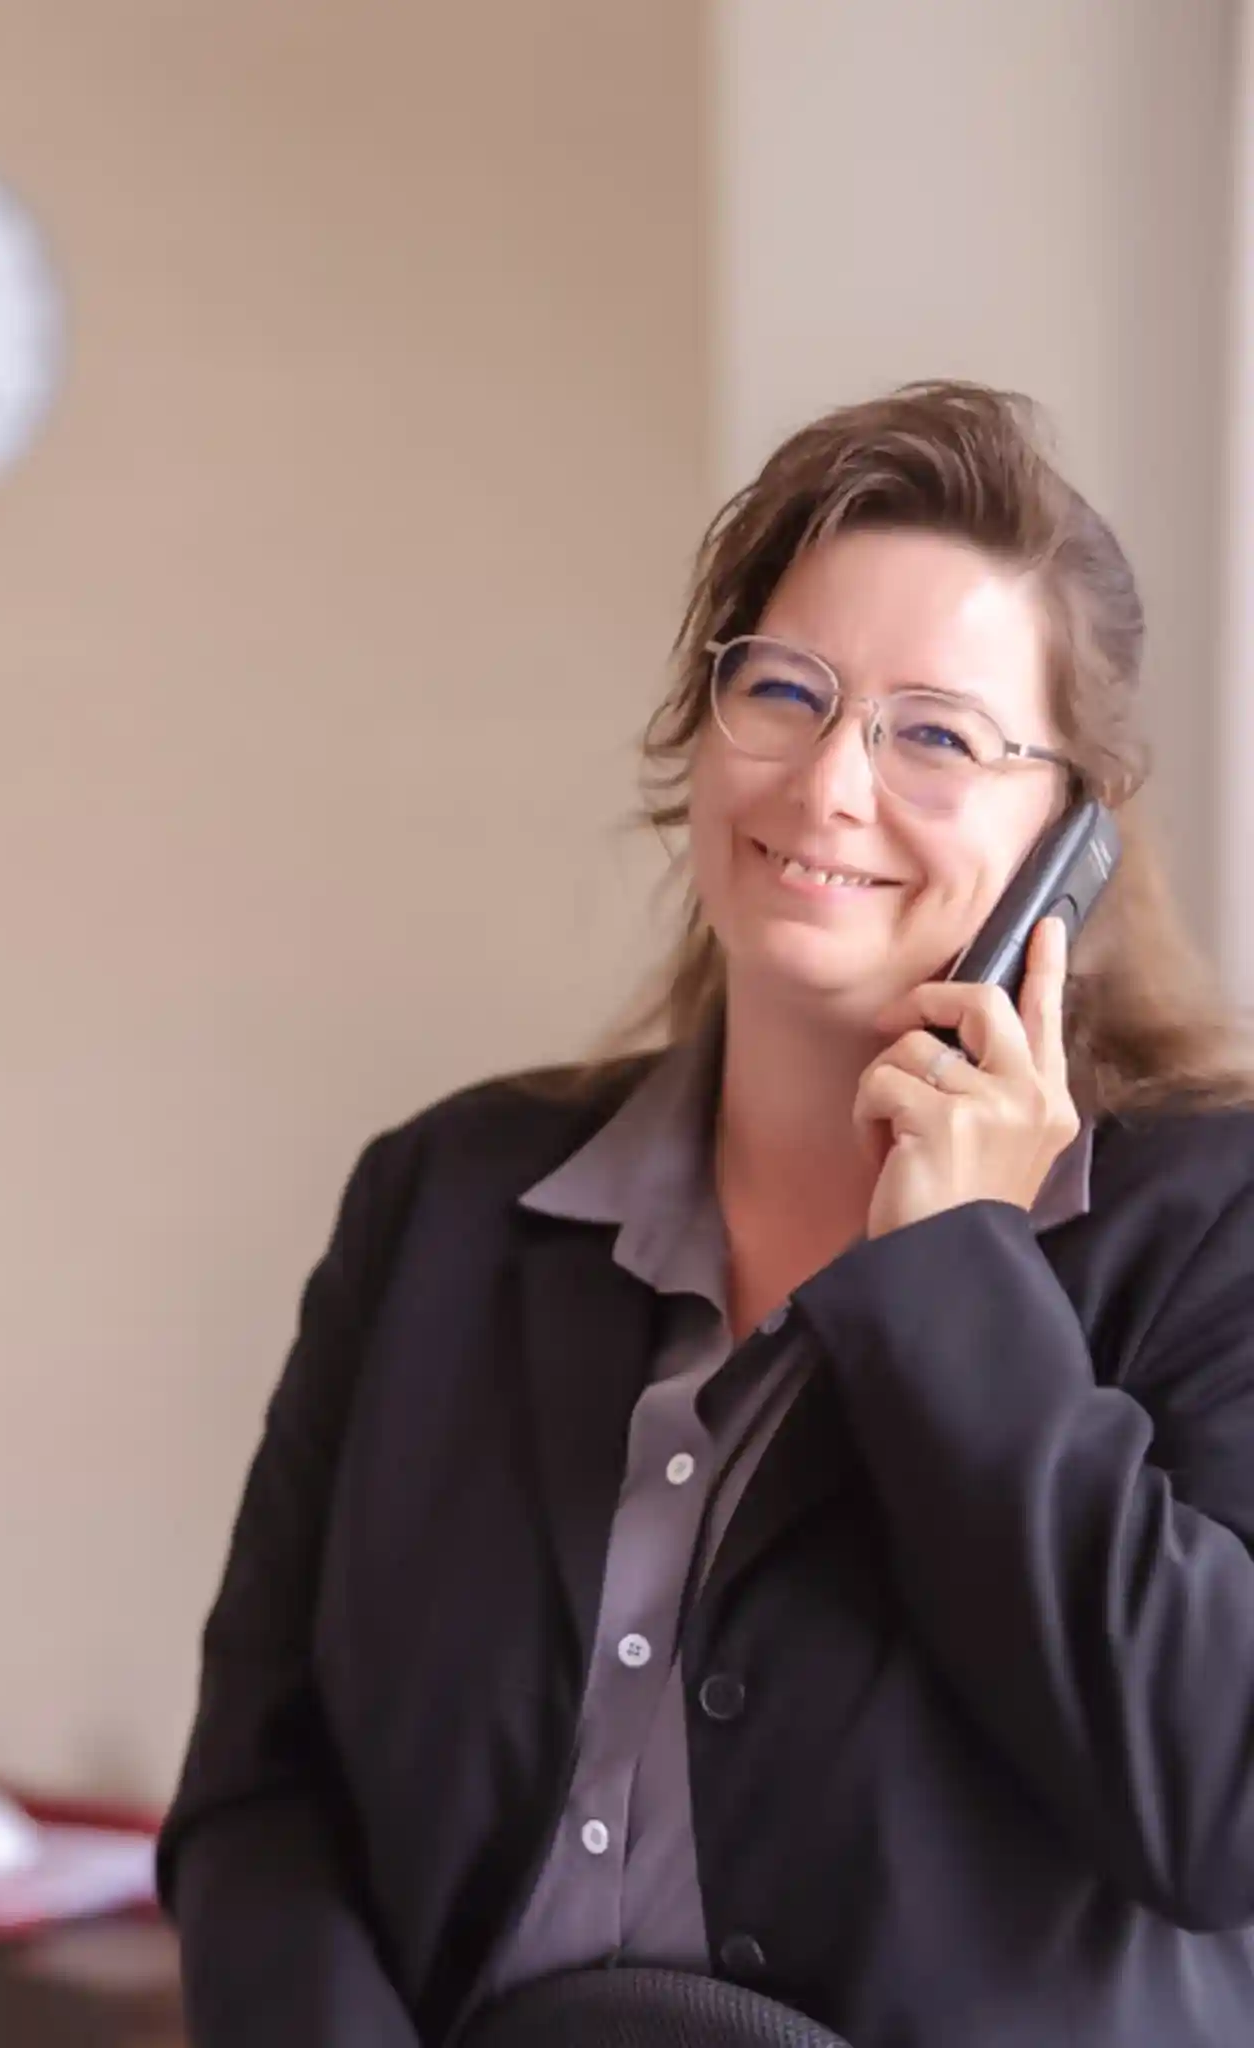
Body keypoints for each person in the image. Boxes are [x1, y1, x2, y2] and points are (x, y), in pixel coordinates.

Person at [155, 382, 1254, 2048]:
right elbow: (258, 1793)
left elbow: (1213, 1801)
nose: (827, 786)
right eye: (787, 692)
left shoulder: (1211, 1229)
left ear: (1067, 842)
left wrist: (959, 1270)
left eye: (936, 734)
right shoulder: (442, 1203)